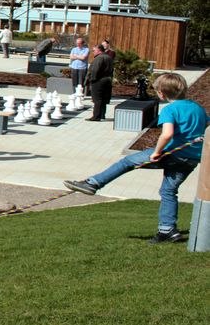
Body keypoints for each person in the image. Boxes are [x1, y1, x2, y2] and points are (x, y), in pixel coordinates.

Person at [64, 73, 208, 243]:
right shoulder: (196, 107)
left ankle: (93, 183)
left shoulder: (170, 109)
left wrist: (156, 152)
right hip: (191, 159)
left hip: (171, 154)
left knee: (127, 162)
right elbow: (207, 126)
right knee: (168, 191)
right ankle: (167, 230)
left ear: (161, 93)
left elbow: (167, 134)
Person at [86, 44, 114, 121]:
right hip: (107, 80)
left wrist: (91, 80)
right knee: (103, 99)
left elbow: (95, 70)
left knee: (97, 99)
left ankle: (96, 116)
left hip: (98, 81)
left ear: (99, 50)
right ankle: (102, 115)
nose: (93, 52)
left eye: (94, 50)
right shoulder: (109, 57)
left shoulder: (99, 58)